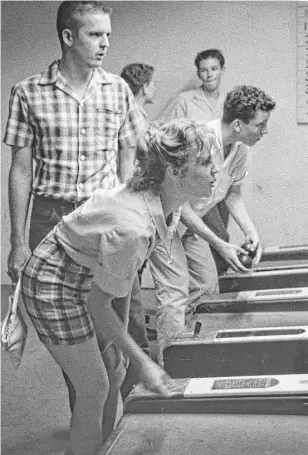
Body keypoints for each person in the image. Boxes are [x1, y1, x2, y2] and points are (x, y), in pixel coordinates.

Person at [20, 118, 219, 455]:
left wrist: (124, 346)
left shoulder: (167, 198)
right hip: (52, 282)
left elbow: (126, 280)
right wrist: (143, 361)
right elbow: (99, 305)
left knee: (114, 371)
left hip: (85, 272)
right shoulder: (134, 226)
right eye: (205, 162)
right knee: (94, 387)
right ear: (174, 172)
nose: (216, 170)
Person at [3, 1, 145, 413]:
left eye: (107, 35)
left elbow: (129, 157)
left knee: (123, 327)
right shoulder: (28, 92)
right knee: (76, 345)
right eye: (95, 35)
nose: (105, 44)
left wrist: (129, 216)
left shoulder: (117, 90)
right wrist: (17, 242)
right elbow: (20, 170)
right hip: (52, 220)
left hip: (105, 218)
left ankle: (128, 427)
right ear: (68, 37)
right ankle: (91, 431)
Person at [150, 85, 276, 365]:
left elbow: (233, 195)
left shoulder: (240, 149)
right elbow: (180, 206)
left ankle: (191, 351)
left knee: (207, 286)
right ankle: (168, 368)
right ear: (238, 124)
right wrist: (220, 244)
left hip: (193, 223)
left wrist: (250, 231)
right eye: (261, 124)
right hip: (165, 221)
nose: (264, 131)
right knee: (174, 293)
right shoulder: (197, 141)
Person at [166, 48, 230, 273]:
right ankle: (209, 293)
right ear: (198, 73)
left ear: (222, 70)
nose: (209, 75)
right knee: (218, 235)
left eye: (214, 69)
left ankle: (217, 289)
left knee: (211, 238)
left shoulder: (228, 102)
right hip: (196, 180)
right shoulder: (185, 100)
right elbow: (165, 133)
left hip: (221, 180)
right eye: (203, 70)